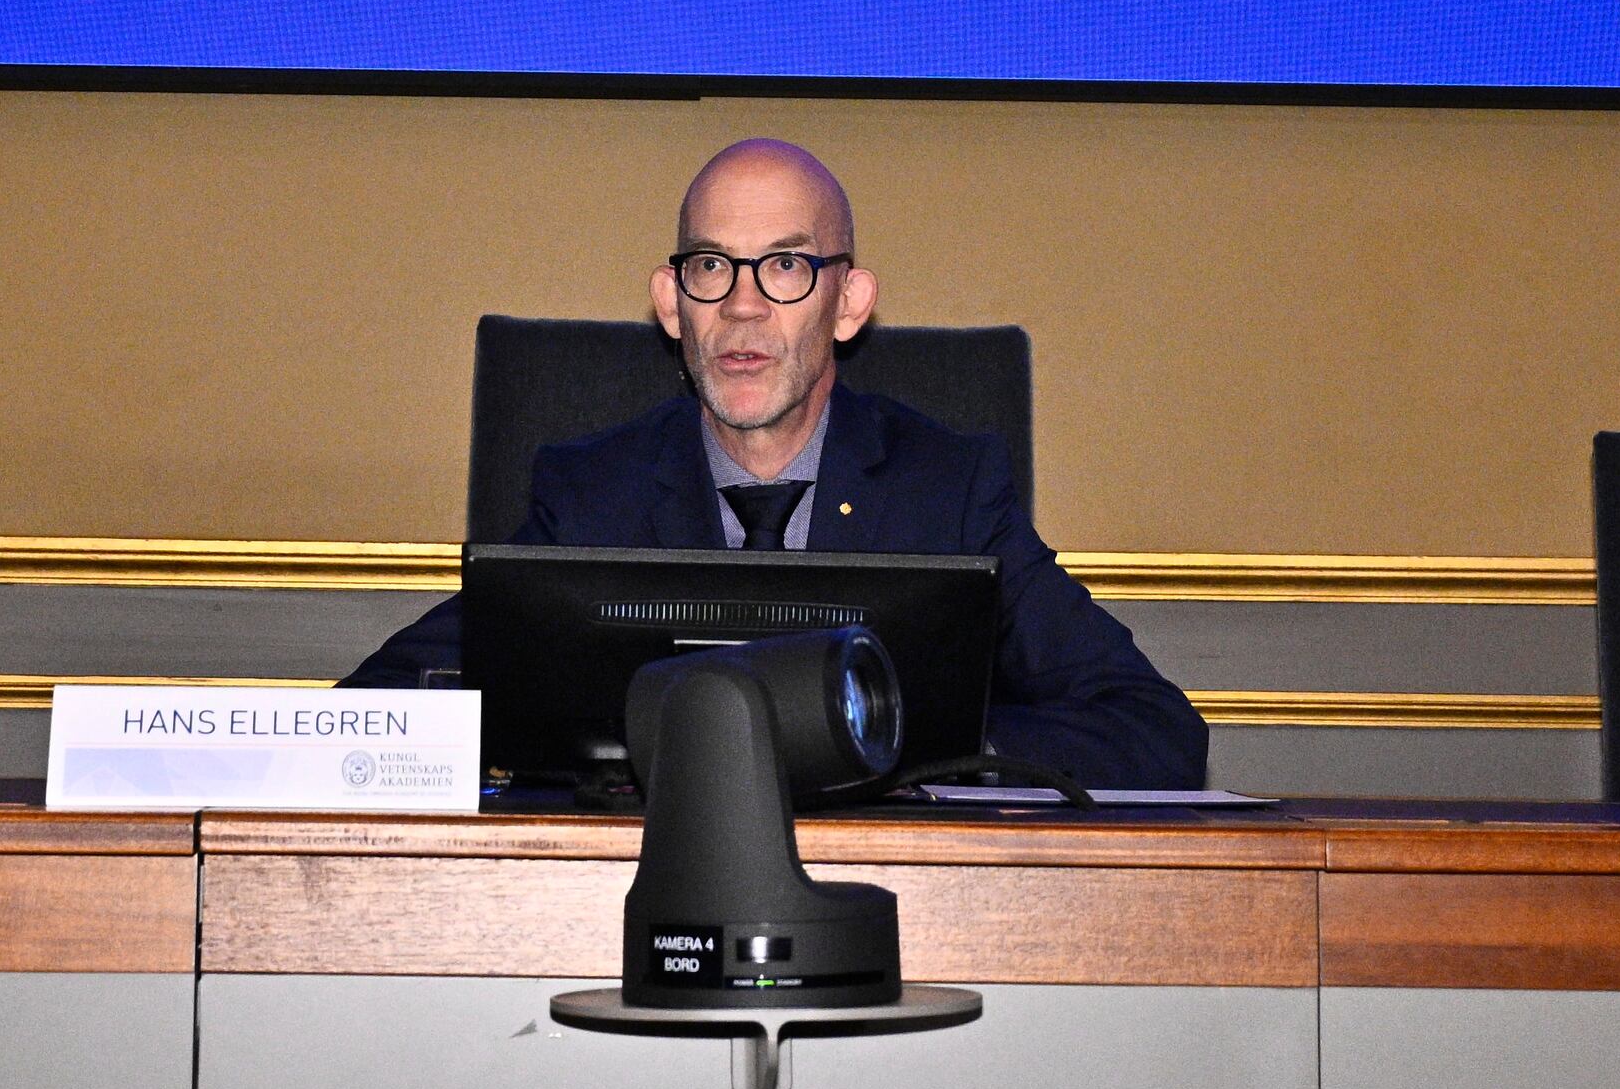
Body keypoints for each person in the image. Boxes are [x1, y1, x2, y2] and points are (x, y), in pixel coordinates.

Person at [343, 140, 1206, 792]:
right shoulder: (590, 493)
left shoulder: (947, 490)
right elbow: (375, 707)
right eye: (710, 266)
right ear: (671, 304)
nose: (743, 304)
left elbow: (1155, 731)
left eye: (786, 264)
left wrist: (883, 736)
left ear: (848, 303)